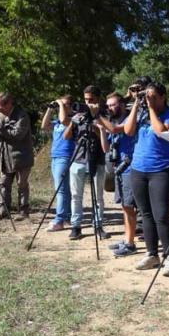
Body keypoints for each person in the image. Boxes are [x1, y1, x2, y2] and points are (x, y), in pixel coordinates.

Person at [125, 82, 169, 276]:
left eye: (154, 97)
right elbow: (128, 130)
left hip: (160, 170)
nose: (151, 100)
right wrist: (136, 104)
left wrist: (149, 107)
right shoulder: (140, 113)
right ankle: (152, 254)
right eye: (148, 97)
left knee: (162, 215)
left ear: (163, 97)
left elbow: (159, 131)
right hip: (138, 169)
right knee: (145, 214)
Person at [98, 81, 150, 257]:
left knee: (129, 206)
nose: (110, 108)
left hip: (129, 166)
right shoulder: (112, 119)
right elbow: (106, 148)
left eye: (113, 105)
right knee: (124, 206)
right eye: (108, 106)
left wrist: (97, 116)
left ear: (121, 105)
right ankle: (127, 238)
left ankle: (130, 243)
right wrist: (101, 129)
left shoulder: (130, 118)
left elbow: (116, 129)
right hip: (118, 167)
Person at [64, 85, 110, 240]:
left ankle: (98, 225)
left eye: (91, 99)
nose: (88, 102)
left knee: (98, 196)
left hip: (97, 158)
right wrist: (73, 122)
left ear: (98, 99)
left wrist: (95, 118)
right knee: (76, 195)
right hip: (78, 159)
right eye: (86, 99)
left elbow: (105, 135)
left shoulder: (104, 114)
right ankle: (76, 226)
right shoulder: (80, 113)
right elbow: (66, 136)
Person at [0, 92, 35, 221]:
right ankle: (4, 210)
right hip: (5, 156)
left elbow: (18, 135)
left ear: (9, 103)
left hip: (21, 156)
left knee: (21, 183)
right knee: (3, 183)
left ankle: (24, 211)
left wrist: (0, 130)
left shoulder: (21, 116)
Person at [40, 95, 75, 232]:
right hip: (55, 157)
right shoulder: (57, 122)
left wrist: (60, 105)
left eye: (66, 105)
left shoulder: (72, 120)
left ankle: (59, 220)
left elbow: (64, 119)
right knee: (63, 189)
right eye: (62, 105)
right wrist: (50, 108)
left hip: (65, 157)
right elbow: (44, 126)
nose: (63, 107)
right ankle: (67, 216)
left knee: (60, 190)